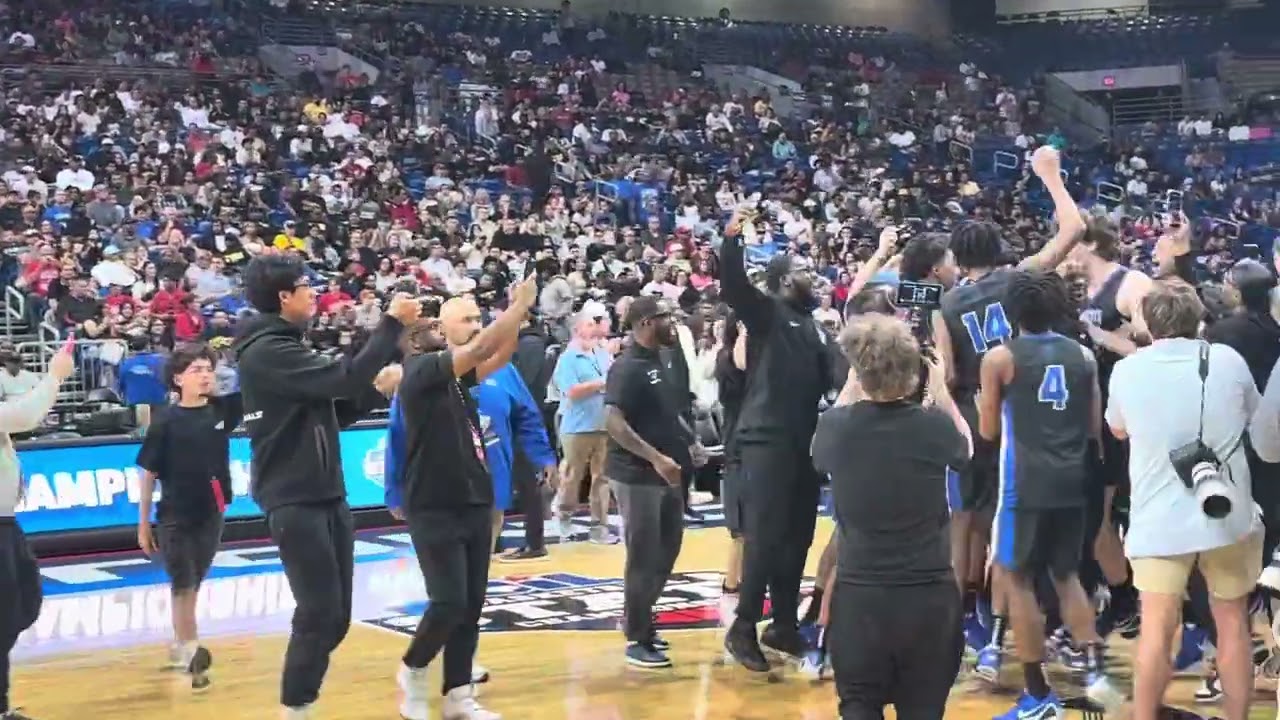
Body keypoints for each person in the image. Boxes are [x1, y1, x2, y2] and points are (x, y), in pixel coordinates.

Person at [234, 254, 418, 720]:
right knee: (318, 612)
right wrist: (391, 324)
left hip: (326, 494)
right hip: (293, 497)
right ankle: (294, 709)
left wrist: (377, 391)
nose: (313, 293)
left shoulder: (285, 347)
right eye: (305, 286)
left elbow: (333, 413)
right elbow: (343, 378)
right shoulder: (268, 352)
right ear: (283, 296)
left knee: (335, 617)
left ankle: (300, 701)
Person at [933, 145, 1086, 678]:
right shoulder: (1020, 278)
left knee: (972, 529)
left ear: (957, 259)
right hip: (1033, 423)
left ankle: (972, 634)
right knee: (1015, 542)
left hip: (981, 424)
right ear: (998, 249)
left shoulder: (946, 304)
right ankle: (1017, 636)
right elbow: (1073, 229)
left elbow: (947, 373)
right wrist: (1050, 176)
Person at [1107, 282, 1262, 720]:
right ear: (1198, 321)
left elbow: (1117, 429)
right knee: (1232, 622)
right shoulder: (1228, 361)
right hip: (1226, 513)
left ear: (1147, 323)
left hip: (1159, 517)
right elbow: (1251, 414)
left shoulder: (1129, 371)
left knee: (1157, 627)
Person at [385, 275, 537, 720]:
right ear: (413, 339)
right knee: (448, 600)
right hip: (432, 502)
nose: (437, 326)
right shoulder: (419, 370)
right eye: (430, 325)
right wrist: (516, 307)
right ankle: (413, 667)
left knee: (470, 604)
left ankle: (458, 698)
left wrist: (518, 313)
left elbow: (499, 354)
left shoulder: (452, 377)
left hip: (473, 494)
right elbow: (476, 350)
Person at [811, 313, 970, 720]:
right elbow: (965, 448)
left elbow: (820, 449)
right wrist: (941, 392)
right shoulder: (933, 426)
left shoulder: (835, 428)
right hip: (928, 596)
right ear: (913, 374)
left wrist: (854, 382)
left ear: (859, 372)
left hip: (860, 597)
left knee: (859, 706)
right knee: (924, 709)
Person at [976, 270, 1120, 718]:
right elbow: (1095, 428)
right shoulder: (1082, 354)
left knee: (1017, 579)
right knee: (1067, 576)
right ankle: (1096, 673)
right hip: (1073, 479)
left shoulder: (999, 358)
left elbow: (988, 430)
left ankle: (1037, 695)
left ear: (1012, 310)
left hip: (1025, 482)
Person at [719, 207, 835, 670]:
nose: (814, 276)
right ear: (785, 281)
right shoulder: (768, 314)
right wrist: (732, 239)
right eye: (804, 270)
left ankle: (783, 624)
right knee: (765, 537)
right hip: (766, 440)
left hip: (803, 442)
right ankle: (742, 626)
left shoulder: (814, 327)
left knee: (797, 538)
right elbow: (734, 288)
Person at [135, 343, 243, 691]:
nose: (205, 375)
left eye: (208, 369)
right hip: (174, 515)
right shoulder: (165, 420)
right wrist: (142, 524)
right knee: (183, 584)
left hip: (212, 513)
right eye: (196, 370)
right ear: (178, 379)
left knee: (193, 583)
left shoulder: (223, 411)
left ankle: (181, 643)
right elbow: (149, 472)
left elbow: (260, 391)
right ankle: (193, 656)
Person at [602, 296, 690, 668]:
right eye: (664, 317)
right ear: (643, 324)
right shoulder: (627, 367)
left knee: (668, 550)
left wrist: (692, 442)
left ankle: (638, 617)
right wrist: (655, 458)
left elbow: (668, 412)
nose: (672, 322)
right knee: (643, 556)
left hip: (669, 473)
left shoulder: (663, 359)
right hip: (637, 475)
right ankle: (638, 638)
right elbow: (613, 422)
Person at [0, 340, 74, 720]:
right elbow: (26, 414)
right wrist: (55, 376)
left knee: (21, 606)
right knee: (7, 614)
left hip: (7, 525)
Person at [550, 301, 617, 544]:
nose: (595, 328)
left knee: (603, 477)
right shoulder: (568, 359)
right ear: (577, 329)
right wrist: (601, 383)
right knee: (573, 475)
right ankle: (564, 516)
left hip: (604, 423)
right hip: (577, 426)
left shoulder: (602, 354)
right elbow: (571, 391)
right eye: (590, 324)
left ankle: (599, 526)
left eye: (596, 323)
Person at [714, 313, 747, 608]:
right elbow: (742, 366)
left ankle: (742, 580)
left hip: (757, 446)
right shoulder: (727, 358)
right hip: (739, 447)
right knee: (741, 531)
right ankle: (731, 584)